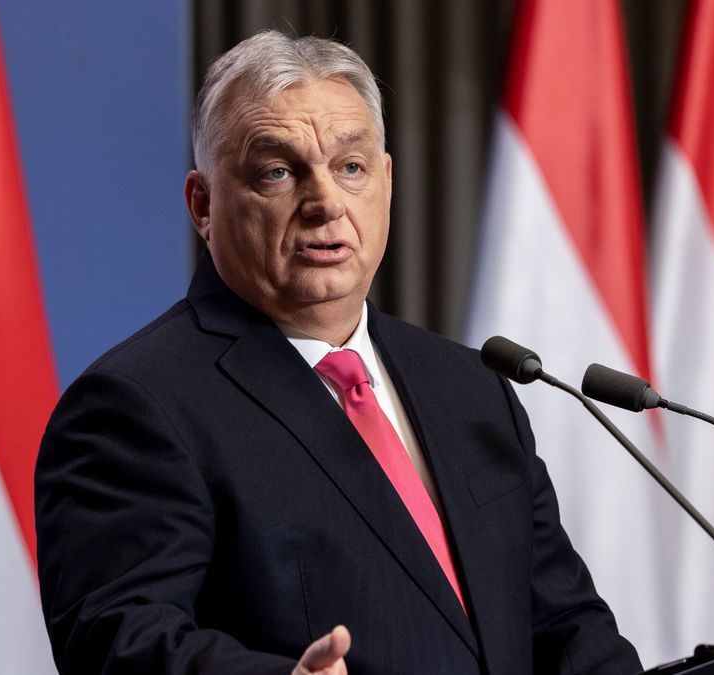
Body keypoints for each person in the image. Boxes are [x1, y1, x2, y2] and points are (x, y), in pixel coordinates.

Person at [35, 30, 642, 675]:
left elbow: (566, 627)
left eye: (350, 167)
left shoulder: (470, 386)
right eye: (277, 171)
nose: (324, 203)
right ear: (203, 205)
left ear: (385, 182)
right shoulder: (138, 405)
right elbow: (116, 640)